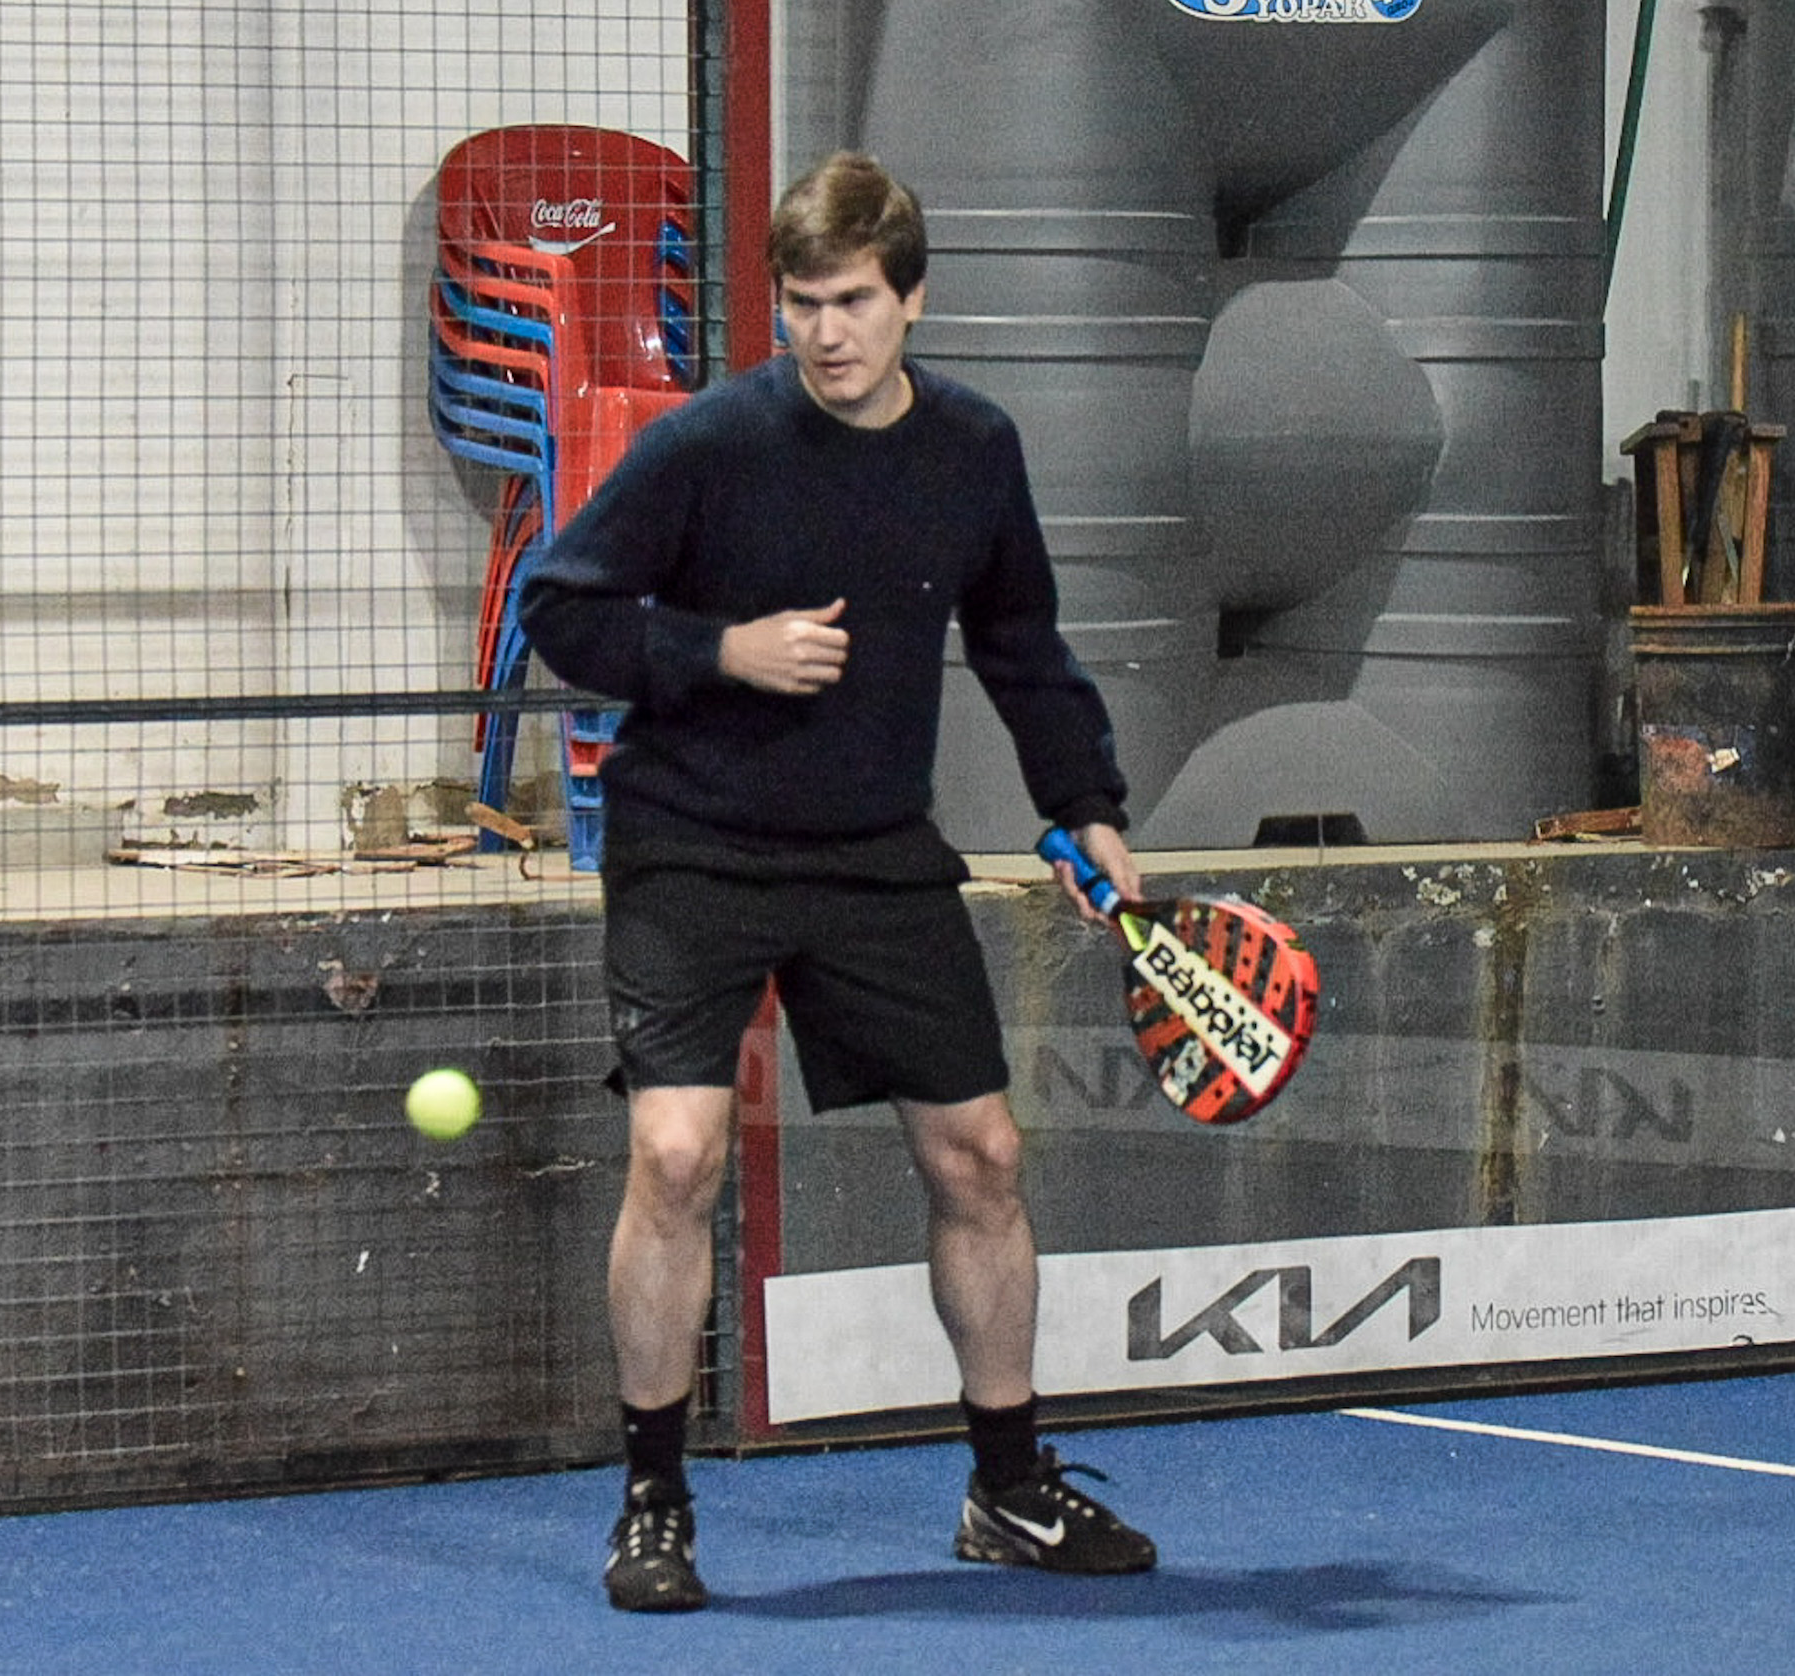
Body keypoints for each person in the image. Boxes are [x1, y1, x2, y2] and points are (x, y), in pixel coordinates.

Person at [517, 150, 1156, 1614]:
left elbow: (1022, 642)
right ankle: (654, 1504)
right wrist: (717, 650)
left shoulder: (974, 449)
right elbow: (565, 605)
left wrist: (1086, 806)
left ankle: (1009, 1492)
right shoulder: (711, 443)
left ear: (911, 299)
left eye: (854, 301)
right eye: (801, 304)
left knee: (980, 1157)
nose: (826, 332)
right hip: (692, 842)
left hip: (873, 850)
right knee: (675, 1156)